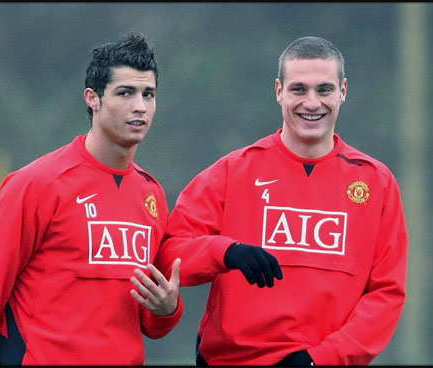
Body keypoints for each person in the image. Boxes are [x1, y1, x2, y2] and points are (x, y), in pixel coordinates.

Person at [155, 36, 408, 366]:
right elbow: (170, 254)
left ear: (343, 92)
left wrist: (322, 358)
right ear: (279, 91)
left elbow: (387, 293)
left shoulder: (377, 182)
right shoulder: (233, 171)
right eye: (299, 90)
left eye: (324, 90)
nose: (312, 102)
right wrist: (226, 252)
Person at [0, 31, 183, 366]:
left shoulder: (150, 194)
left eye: (148, 94)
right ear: (92, 98)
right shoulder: (35, 184)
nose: (140, 106)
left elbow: (148, 321)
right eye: (125, 93)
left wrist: (168, 310)